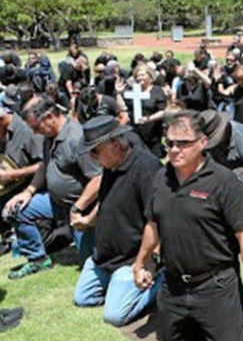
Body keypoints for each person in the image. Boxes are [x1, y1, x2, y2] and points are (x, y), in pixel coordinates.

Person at [133, 111, 243, 341]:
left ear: (202, 143)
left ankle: (242, 316)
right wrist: (141, 263)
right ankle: (201, 324)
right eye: (169, 143)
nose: (174, 149)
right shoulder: (161, 178)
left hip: (214, 284)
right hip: (174, 285)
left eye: (183, 143)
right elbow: (152, 224)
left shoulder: (224, 181)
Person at [72, 116, 163, 326]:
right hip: (104, 258)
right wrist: (86, 221)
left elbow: (159, 219)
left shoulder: (147, 168)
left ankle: (162, 281)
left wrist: (150, 262)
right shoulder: (110, 167)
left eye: (95, 151)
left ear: (115, 143)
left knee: (114, 316)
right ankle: (119, 286)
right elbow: (105, 203)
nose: (93, 158)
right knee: (83, 298)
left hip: (132, 259)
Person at [5, 99, 102, 279]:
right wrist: (28, 191)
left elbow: (97, 178)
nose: (34, 132)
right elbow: (44, 165)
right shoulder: (49, 137)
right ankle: (38, 259)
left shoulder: (76, 137)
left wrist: (78, 207)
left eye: (36, 127)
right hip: (56, 202)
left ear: (49, 117)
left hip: (81, 207)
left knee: (89, 266)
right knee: (15, 210)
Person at [0, 106, 43, 257]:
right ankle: (8, 238)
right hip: (9, 186)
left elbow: (44, 165)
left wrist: (14, 174)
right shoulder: (3, 133)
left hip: (33, 186)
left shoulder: (26, 131)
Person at [123, 65, 168, 158]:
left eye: (143, 75)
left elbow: (163, 111)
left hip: (152, 131)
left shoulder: (157, 91)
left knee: (154, 158)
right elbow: (123, 107)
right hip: (136, 131)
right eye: (137, 76)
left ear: (150, 76)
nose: (140, 78)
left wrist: (149, 118)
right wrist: (119, 93)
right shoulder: (132, 90)